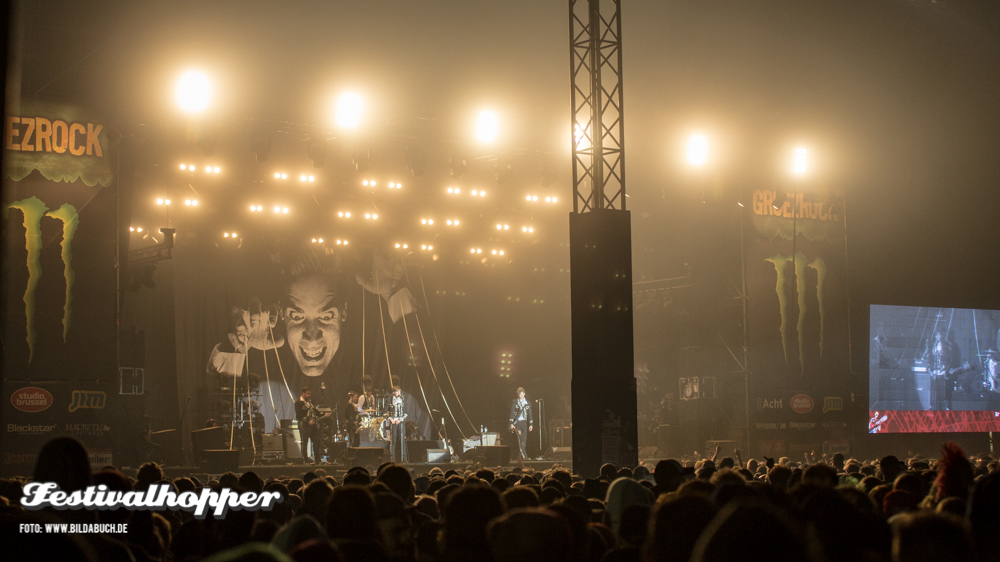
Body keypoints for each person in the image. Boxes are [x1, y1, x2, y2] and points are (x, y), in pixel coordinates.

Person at [295, 387, 328, 463]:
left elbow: (316, 412)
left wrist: (323, 414)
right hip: (304, 426)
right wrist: (307, 421)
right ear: (303, 394)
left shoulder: (311, 402)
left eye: (310, 394)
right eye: (308, 394)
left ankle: (317, 459)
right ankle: (305, 460)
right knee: (305, 442)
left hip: (313, 426)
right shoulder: (298, 403)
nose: (309, 395)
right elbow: (299, 415)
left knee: (316, 442)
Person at [508, 387, 534, 461]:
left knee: (524, 440)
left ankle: (519, 457)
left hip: (524, 423)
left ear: (524, 394)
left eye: (522, 393)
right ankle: (525, 456)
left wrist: (531, 424)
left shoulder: (527, 403)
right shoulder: (515, 402)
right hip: (517, 423)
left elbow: (530, 414)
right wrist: (511, 423)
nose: (520, 395)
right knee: (520, 438)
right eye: (519, 394)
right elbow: (512, 413)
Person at [387, 386, 408, 463]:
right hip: (393, 422)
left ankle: (404, 458)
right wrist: (391, 419)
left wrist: (400, 419)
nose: (399, 393)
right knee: (393, 440)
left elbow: (406, 412)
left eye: (399, 392)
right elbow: (384, 412)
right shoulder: (389, 400)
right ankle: (392, 458)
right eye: (397, 392)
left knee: (402, 439)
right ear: (393, 393)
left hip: (400, 422)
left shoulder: (402, 400)